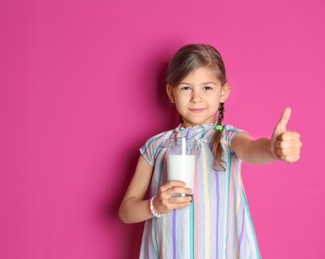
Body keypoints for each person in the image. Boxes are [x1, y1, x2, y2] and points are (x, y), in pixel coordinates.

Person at [118, 43, 302, 259]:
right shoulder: (157, 146)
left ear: (223, 91)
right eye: (186, 88)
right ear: (171, 92)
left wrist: (273, 149)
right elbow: (126, 211)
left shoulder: (228, 138)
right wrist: (155, 205)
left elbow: (252, 149)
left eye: (207, 88)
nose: (196, 97)